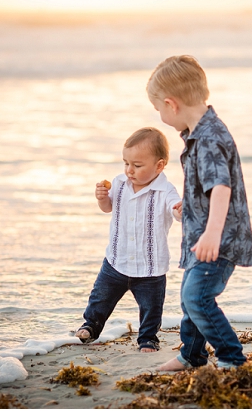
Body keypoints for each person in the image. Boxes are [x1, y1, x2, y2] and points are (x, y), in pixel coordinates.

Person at [146, 55, 252, 370]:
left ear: (171, 104)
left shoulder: (209, 138)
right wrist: (189, 206)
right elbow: (207, 187)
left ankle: (232, 358)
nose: (161, 116)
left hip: (216, 239)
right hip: (203, 233)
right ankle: (192, 355)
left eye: (159, 110)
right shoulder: (200, 134)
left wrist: (211, 232)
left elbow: (221, 187)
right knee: (189, 297)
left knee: (197, 298)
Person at [74, 127, 182, 353]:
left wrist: (180, 211)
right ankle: (91, 325)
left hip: (150, 268)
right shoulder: (119, 183)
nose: (129, 170)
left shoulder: (165, 191)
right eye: (126, 163)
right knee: (100, 297)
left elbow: (176, 210)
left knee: (151, 307)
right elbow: (108, 208)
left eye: (137, 165)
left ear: (159, 166)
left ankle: (148, 338)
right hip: (116, 260)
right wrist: (102, 198)